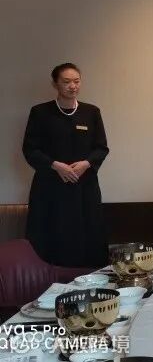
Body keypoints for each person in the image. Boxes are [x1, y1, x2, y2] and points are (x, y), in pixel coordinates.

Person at [22, 63, 109, 267]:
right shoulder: (40, 112)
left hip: (84, 186)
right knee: (50, 233)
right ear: (55, 84)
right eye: (66, 81)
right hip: (50, 187)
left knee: (88, 233)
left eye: (76, 81)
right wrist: (55, 165)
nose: (73, 86)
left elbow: (101, 148)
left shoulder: (91, 112)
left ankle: (88, 278)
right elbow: (30, 149)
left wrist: (86, 163)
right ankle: (47, 280)